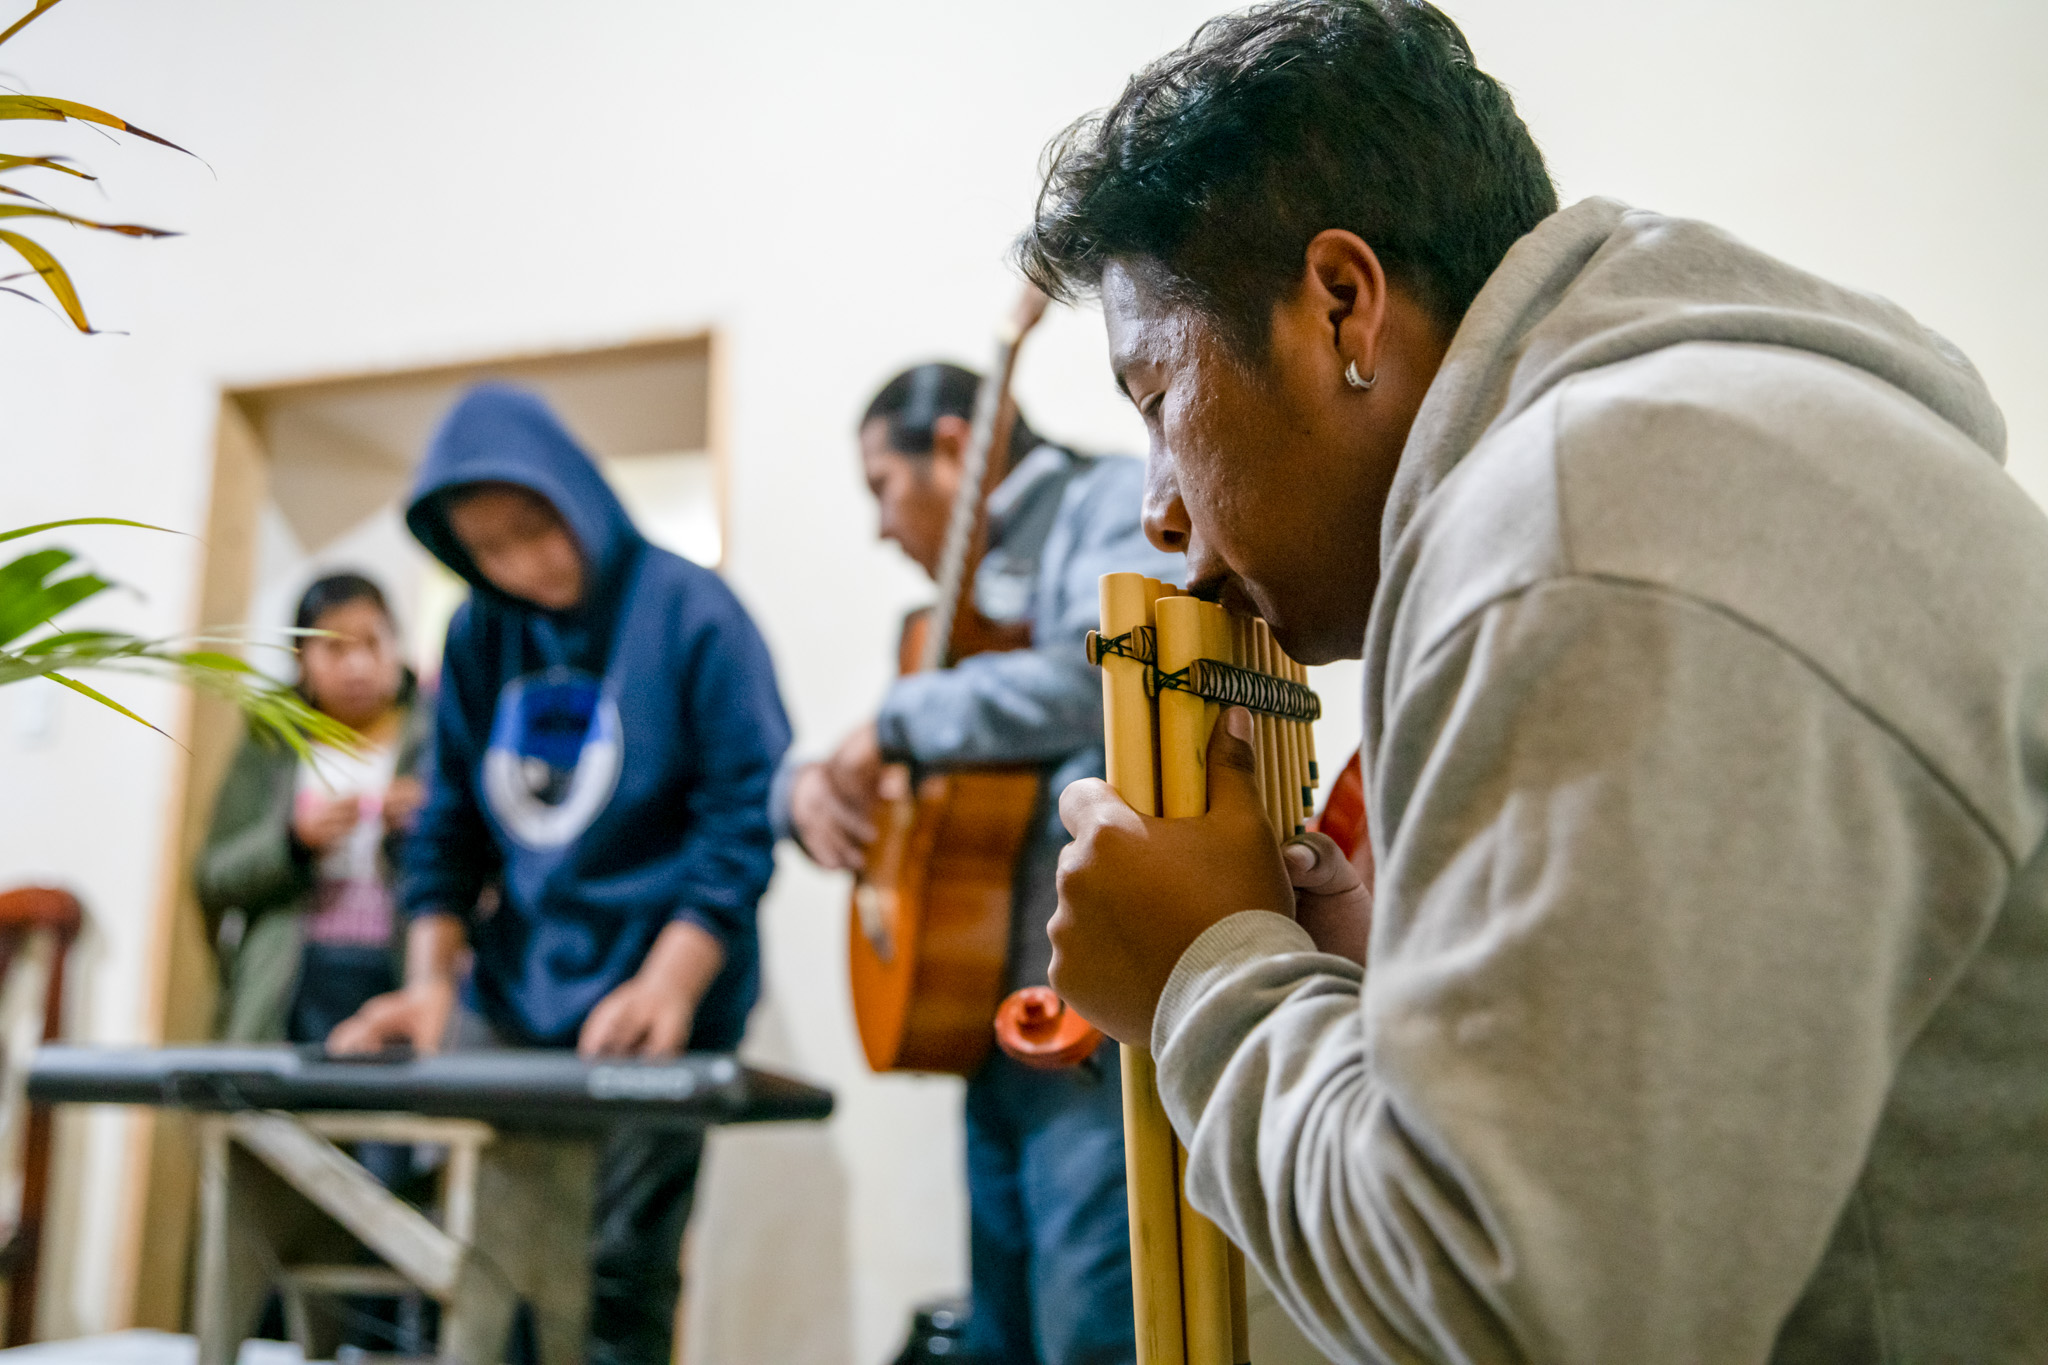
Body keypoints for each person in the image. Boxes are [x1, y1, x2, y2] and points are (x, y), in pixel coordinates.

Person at [1019, 3, 2048, 1363]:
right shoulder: (1688, 449)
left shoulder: (1590, 528)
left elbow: (1524, 1319)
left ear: (1343, 304)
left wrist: (1207, 981)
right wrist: (1375, 980)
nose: (1157, 509)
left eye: (1156, 399)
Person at [328, 383, 790, 1364]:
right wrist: (426, 990)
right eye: (487, 549)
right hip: (516, 990)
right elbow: (448, 828)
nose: (523, 566)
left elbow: (741, 823)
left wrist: (667, 985)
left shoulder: (691, 612)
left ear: (577, 494)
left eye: (535, 529)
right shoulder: (479, 635)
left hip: (658, 990)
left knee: (616, 1278)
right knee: (477, 1265)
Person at [780, 363, 1179, 1365]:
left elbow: (1107, 670)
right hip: (977, 1014)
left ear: (954, 447)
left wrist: (899, 720)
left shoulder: (1106, 504)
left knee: (1087, 1325)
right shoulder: (947, 611)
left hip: (1089, 1021)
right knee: (1000, 1330)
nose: (880, 524)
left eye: (882, 484)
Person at [198, 572, 430, 1049]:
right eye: (336, 649)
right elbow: (213, 876)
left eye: (373, 643)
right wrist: (293, 842)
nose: (359, 666)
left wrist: (419, 831)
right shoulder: (270, 740)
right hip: (290, 987)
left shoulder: (437, 735)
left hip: (399, 977)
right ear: (301, 661)